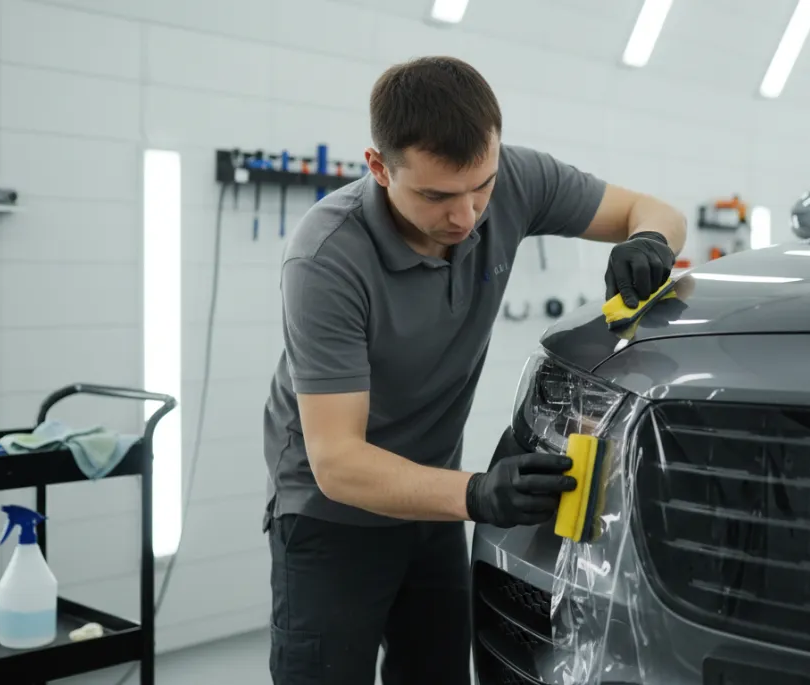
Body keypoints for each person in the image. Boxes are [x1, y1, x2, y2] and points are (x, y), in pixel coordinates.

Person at [262, 55, 687, 685]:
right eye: (436, 196)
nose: (467, 217)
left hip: (431, 508)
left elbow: (652, 210)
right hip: (332, 518)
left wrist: (650, 241)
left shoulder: (514, 179)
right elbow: (338, 463)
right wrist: (477, 493)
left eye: (480, 187)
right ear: (379, 168)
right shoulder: (327, 259)